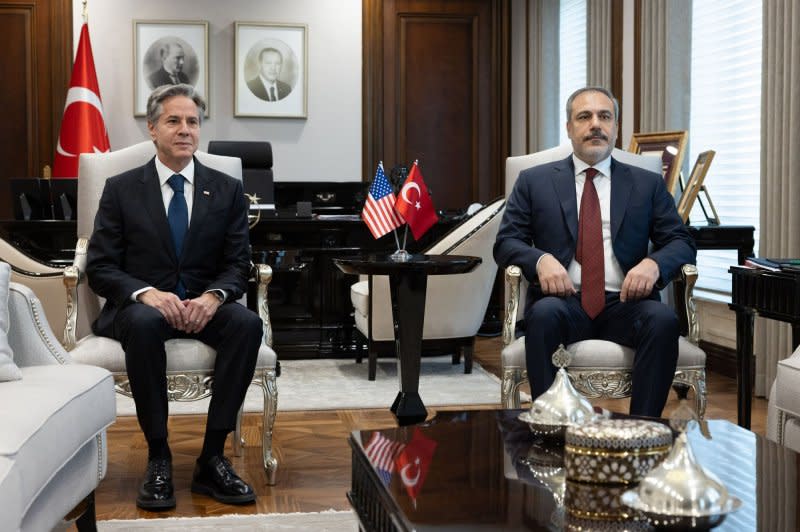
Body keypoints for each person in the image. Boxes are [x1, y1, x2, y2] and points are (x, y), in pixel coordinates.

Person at [86, 83, 262, 510]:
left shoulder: (226, 189)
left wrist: (214, 297)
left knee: (247, 324)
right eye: (173, 121)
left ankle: (212, 458)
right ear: (152, 128)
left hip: (203, 304)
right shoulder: (121, 188)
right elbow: (100, 266)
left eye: (192, 122)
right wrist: (146, 294)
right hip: (141, 309)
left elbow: (239, 263)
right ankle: (159, 455)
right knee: (145, 325)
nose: (185, 130)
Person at [494, 86, 696, 418]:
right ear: (569, 128)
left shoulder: (647, 183)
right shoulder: (534, 181)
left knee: (663, 320)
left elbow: (681, 242)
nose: (595, 125)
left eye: (605, 116)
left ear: (616, 127)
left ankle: (642, 430)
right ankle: (551, 426)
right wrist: (540, 260)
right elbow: (506, 244)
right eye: (584, 117)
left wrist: (654, 264)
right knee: (542, 316)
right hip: (563, 300)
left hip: (627, 302)